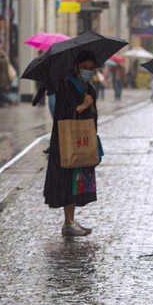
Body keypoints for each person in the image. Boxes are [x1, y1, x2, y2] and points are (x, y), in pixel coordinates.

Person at [43, 51, 99, 236]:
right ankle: (68, 222)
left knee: (78, 181)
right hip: (66, 143)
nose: (88, 71)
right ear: (76, 68)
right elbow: (62, 115)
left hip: (83, 142)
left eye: (91, 68)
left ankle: (71, 220)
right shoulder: (67, 86)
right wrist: (82, 106)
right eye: (85, 68)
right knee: (68, 180)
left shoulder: (90, 89)